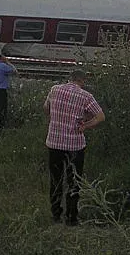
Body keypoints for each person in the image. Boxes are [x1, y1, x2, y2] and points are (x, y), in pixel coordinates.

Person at [43, 70, 105, 225]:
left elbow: (46, 107)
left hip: (54, 143)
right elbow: (100, 117)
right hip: (74, 146)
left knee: (55, 180)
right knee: (73, 181)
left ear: (69, 79)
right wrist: (86, 126)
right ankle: (71, 218)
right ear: (82, 80)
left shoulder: (55, 89)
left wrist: (53, 119)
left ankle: (56, 215)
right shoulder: (86, 96)